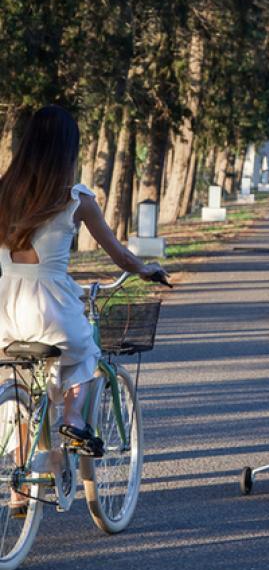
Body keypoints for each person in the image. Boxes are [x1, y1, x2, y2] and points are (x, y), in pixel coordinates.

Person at [0, 106, 167, 497]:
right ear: (67, 150)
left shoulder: (3, 193)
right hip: (51, 309)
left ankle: (20, 489)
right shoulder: (75, 199)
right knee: (86, 356)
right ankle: (74, 420)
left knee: (18, 381)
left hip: (5, 309)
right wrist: (145, 270)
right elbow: (121, 256)